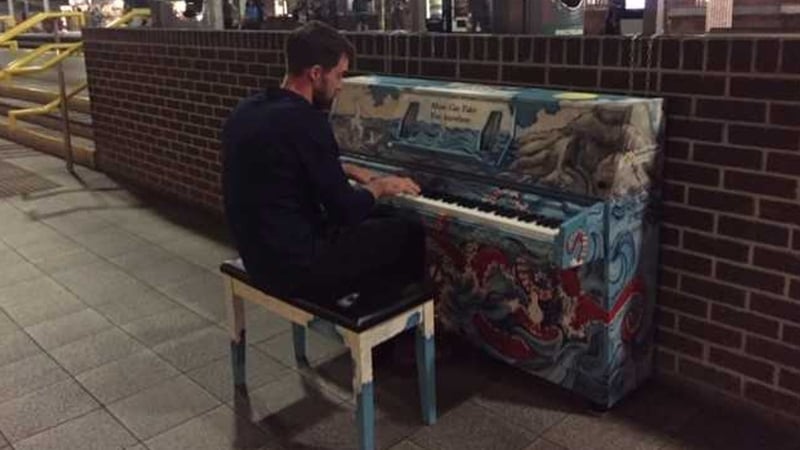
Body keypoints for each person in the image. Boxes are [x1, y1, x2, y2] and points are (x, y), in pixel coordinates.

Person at [222, 21, 426, 303]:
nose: (341, 87)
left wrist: (345, 169)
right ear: (316, 74)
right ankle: (379, 320)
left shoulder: (247, 110)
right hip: (296, 271)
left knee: (377, 221)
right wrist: (381, 186)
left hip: (258, 258)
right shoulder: (307, 121)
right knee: (408, 231)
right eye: (339, 76)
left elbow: (282, 168)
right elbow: (346, 211)